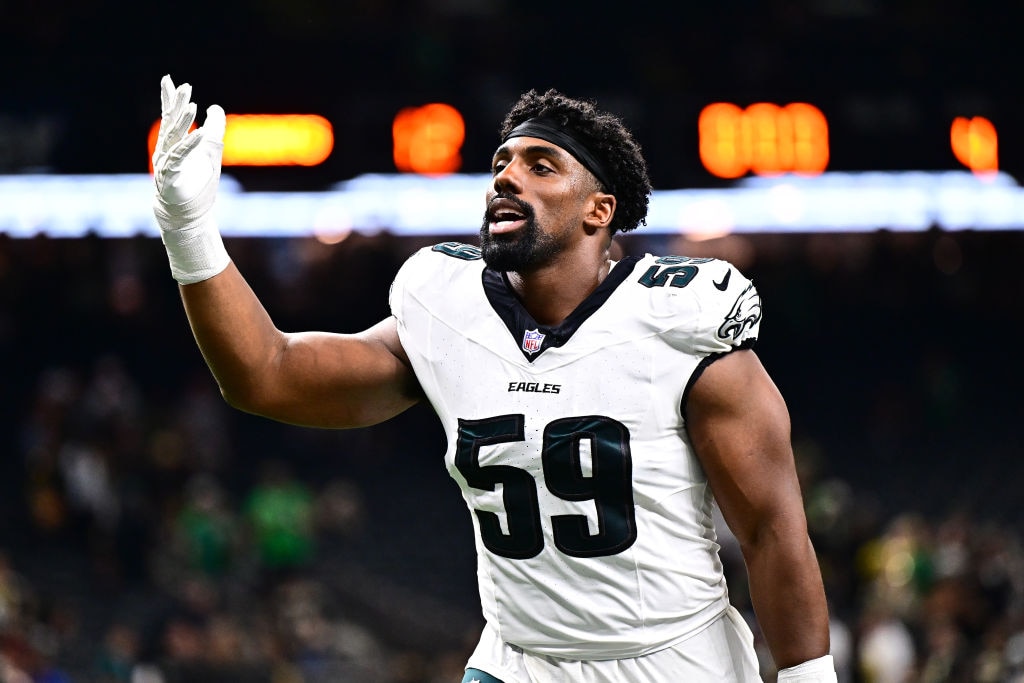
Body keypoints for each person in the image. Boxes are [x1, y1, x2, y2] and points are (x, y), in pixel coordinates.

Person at [150, 74, 837, 682]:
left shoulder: (679, 318)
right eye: (502, 163)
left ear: (599, 209)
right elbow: (266, 374)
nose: (507, 177)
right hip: (520, 659)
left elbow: (773, 530)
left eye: (542, 165)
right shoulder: (448, 307)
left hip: (670, 659)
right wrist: (189, 230)